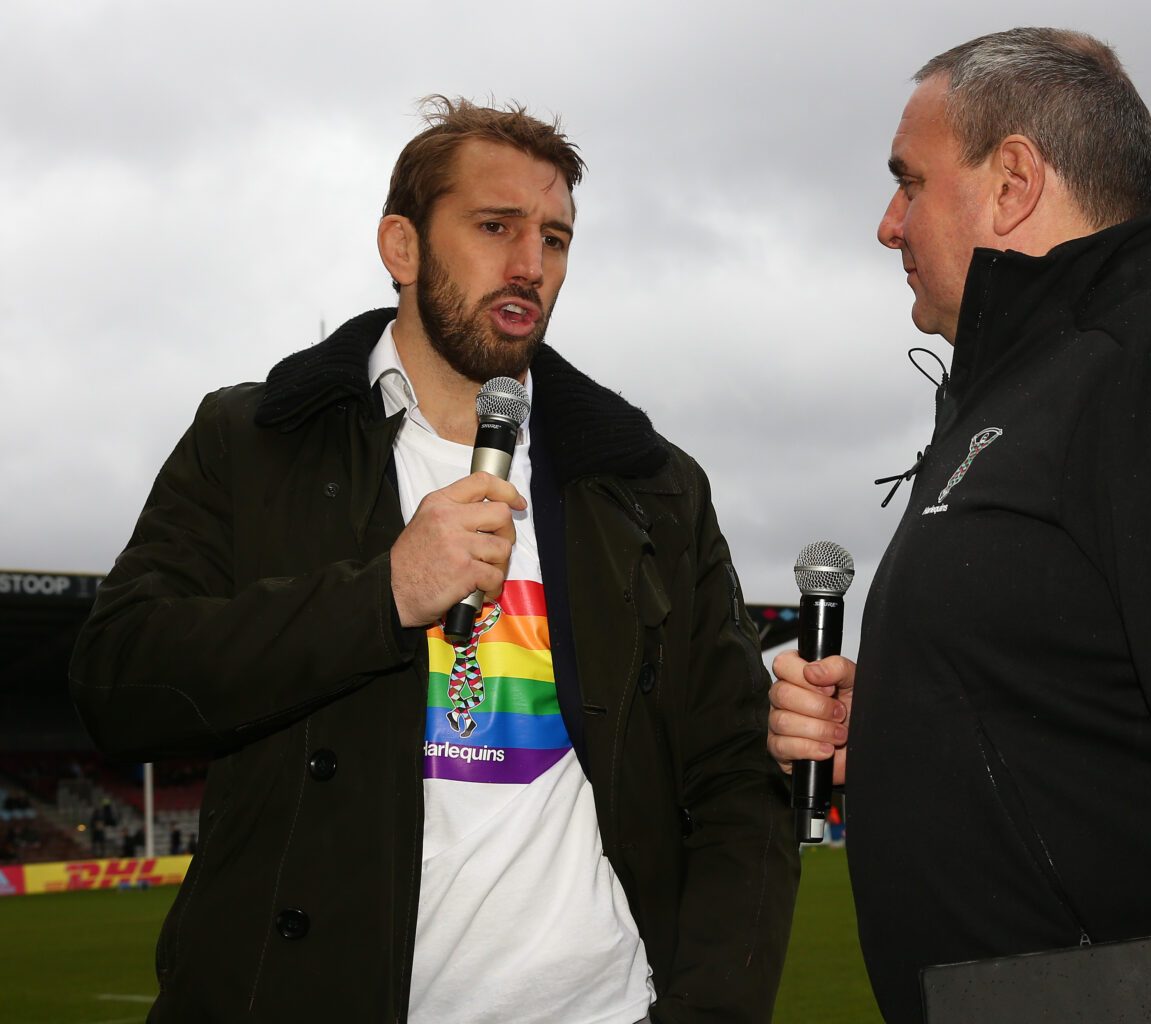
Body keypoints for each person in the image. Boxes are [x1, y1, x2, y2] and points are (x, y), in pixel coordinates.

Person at [70, 97, 797, 1023]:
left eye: (556, 238)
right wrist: (382, 595)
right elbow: (117, 683)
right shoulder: (252, 440)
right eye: (496, 227)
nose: (531, 265)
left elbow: (737, 775)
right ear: (402, 247)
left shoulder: (646, 485)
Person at [768, 28, 1151, 1023]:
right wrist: (896, 723)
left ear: (1012, 180)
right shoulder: (1017, 400)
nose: (888, 223)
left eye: (909, 182)